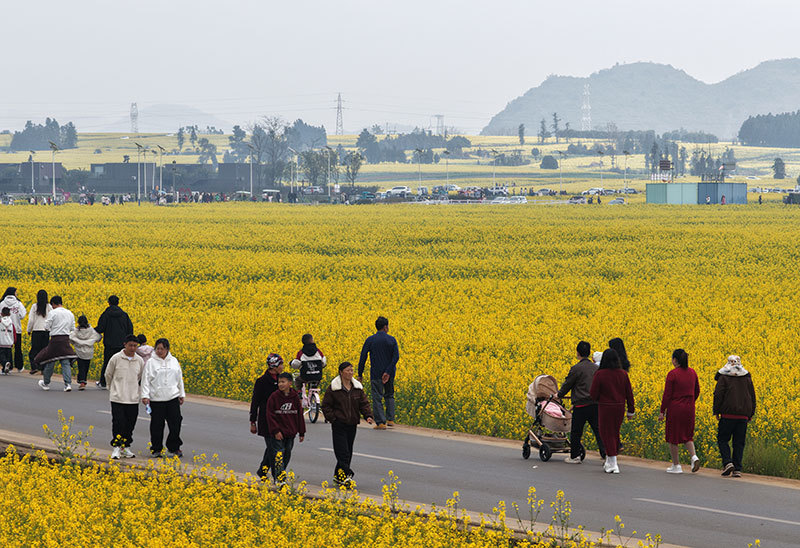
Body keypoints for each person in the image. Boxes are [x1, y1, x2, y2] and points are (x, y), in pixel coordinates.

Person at [321, 362, 374, 486]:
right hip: (339, 424)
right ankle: (347, 474)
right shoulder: (334, 388)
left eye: (352, 370)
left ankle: (339, 476)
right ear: (341, 372)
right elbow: (326, 406)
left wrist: (368, 416)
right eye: (348, 370)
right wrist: (333, 419)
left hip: (352, 423)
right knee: (342, 451)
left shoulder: (357, 387)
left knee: (348, 451)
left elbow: (363, 403)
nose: (350, 373)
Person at [557, 341, 606, 464]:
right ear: (589, 353)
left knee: (576, 432)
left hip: (581, 405)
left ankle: (575, 456)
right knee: (598, 430)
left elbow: (567, 384)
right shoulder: (597, 368)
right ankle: (605, 453)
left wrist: (559, 395)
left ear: (577, 353)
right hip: (595, 404)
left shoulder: (576, 368)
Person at [589, 348, 635, 474]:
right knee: (614, 433)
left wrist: (598, 398)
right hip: (619, 407)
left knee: (606, 434)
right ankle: (609, 461)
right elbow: (629, 393)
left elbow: (593, 394)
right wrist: (631, 410)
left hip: (605, 407)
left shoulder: (600, 374)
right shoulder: (623, 374)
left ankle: (613, 463)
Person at [141, 338, 185, 458]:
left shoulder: (174, 361)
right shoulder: (150, 362)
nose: (160, 351)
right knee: (157, 425)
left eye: (162, 349)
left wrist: (181, 394)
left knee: (176, 422)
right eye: (157, 349)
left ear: (167, 349)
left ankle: (174, 447)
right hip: (157, 398)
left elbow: (179, 378)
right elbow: (145, 380)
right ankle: (156, 449)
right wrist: (145, 396)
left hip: (172, 397)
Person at [713, 355, 756, 478]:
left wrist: (716, 411)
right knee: (739, 442)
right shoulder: (747, 378)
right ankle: (737, 469)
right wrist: (751, 413)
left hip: (727, 415)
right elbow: (752, 396)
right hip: (743, 416)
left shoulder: (724, 378)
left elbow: (718, 394)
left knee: (722, 439)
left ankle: (727, 462)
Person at [659, 349, 701, 474]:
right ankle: (694, 457)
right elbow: (697, 390)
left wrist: (662, 411)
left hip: (675, 408)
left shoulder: (672, 374)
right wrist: (690, 401)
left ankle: (676, 465)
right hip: (689, 408)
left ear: (675, 360)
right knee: (687, 435)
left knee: (673, 437)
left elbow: (667, 395)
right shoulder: (692, 372)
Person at [357, 316, 399, 430]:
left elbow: (363, 357)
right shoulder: (392, 340)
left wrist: (360, 373)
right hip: (389, 374)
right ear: (385, 327)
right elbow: (396, 357)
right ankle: (390, 420)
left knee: (377, 397)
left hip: (376, 373)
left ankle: (380, 422)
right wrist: (388, 371)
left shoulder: (370, 340)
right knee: (389, 395)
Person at [105, 335, 144, 459]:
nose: (132, 348)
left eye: (135, 346)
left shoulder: (139, 360)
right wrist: (112, 389)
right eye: (130, 345)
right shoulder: (116, 358)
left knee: (130, 423)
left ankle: (126, 447)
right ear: (125, 344)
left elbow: (140, 377)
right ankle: (116, 447)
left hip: (132, 398)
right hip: (118, 397)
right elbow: (108, 374)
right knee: (118, 422)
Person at [265, 372, 306, 485]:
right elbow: (270, 415)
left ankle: (279, 475)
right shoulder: (274, 397)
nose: (280, 384)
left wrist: (301, 432)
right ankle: (280, 478)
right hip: (278, 433)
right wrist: (275, 431)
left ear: (290, 383)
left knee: (287, 454)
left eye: (283, 382)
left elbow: (299, 415)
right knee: (279, 454)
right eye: (279, 382)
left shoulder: (295, 398)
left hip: (291, 433)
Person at [249, 353, 284, 479]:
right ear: (274, 366)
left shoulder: (283, 380)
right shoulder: (262, 381)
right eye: (281, 364)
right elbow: (255, 402)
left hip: (281, 419)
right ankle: (278, 477)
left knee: (273, 448)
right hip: (266, 419)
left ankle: (262, 470)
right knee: (274, 449)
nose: (283, 366)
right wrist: (253, 421)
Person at [34, 296, 77, 392]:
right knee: (65, 362)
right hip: (65, 339)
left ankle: (46, 383)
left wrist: (51, 328)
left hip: (55, 339)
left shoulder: (52, 313)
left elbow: (47, 326)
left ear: (53, 304)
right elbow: (73, 328)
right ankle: (68, 384)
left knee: (50, 360)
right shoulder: (69, 313)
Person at [95, 295, 134, 389]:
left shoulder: (106, 314)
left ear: (109, 303)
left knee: (107, 363)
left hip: (109, 343)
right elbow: (130, 329)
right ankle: (121, 382)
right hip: (122, 344)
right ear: (118, 302)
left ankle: (103, 382)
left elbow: (100, 328)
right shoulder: (124, 315)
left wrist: (89, 330)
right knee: (121, 363)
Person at [69, 315, 101, 390]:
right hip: (89, 352)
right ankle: (83, 381)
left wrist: (76, 343)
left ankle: (82, 382)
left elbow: (70, 338)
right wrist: (90, 342)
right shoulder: (91, 330)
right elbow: (98, 337)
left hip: (79, 352)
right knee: (86, 367)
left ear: (79, 322)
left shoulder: (76, 330)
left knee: (81, 367)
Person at [26, 289, 52, 375]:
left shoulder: (34, 306)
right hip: (46, 331)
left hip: (36, 331)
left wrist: (29, 330)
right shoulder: (49, 307)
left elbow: (31, 320)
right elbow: (52, 319)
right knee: (44, 350)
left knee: (34, 350)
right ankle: (43, 369)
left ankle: (34, 367)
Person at [1, 287, 26, 372]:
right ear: (13, 293)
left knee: (5, 348)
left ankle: (9, 367)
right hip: (16, 329)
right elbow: (22, 315)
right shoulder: (18, 303)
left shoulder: (2, 303)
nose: (17, 294)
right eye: (16, 292)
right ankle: (19, 367)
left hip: (3, 330)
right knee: (18, 348)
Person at [0, 308, 15, 375]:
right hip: (9, 343)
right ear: (9, 314)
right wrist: (13, 341)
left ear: (1, 314)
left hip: (1, 342)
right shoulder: (11, 323)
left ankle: (4, 365)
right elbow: (14, 333)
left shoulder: (0, 322)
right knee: (9, 356)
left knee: (2, 356)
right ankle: (7, 369)